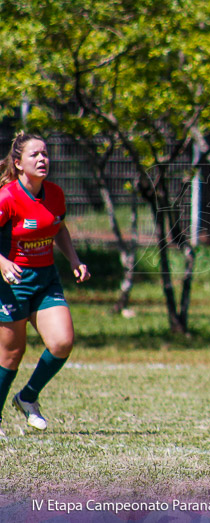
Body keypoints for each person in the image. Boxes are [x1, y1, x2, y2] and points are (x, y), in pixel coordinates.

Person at [0, 132, 90, 436]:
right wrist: (2, 261)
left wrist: (74, 260)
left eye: (45, 154)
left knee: (62, 342)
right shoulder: (7, 197)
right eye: (35, 155)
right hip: (12, 284)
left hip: (46, 279)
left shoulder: (54, 193)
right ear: (18, 163)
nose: (43, 159)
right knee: (12, 354)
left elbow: (58, 227)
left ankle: (27, 397)